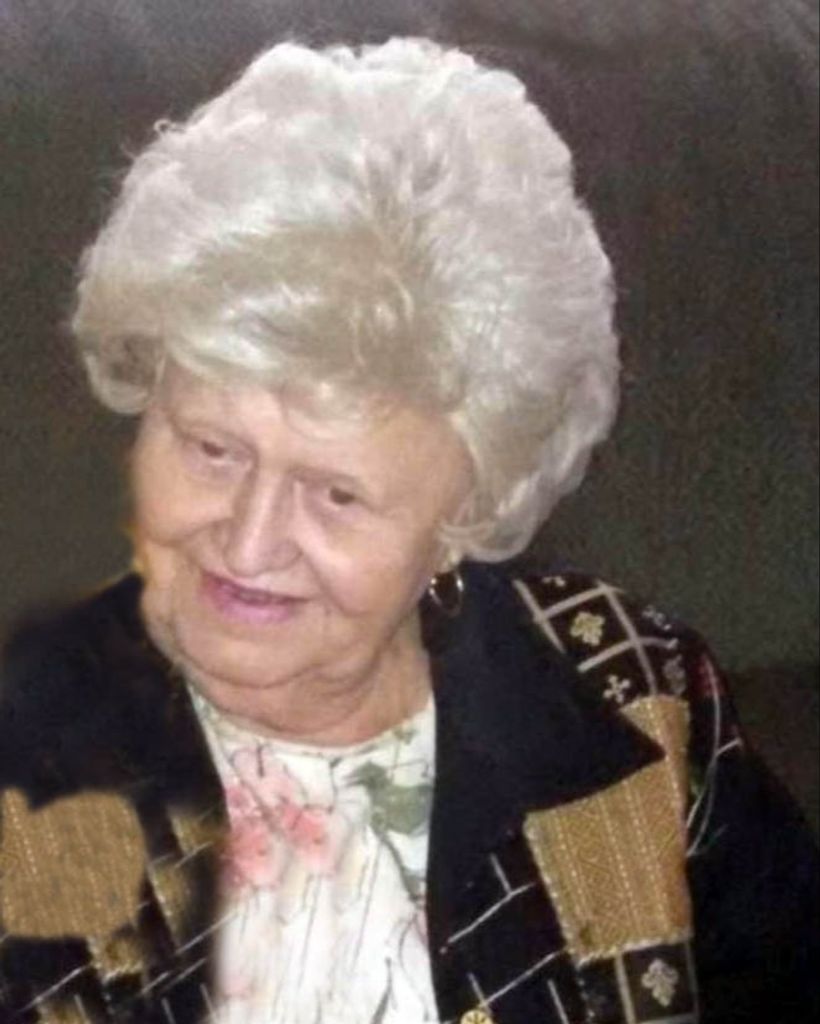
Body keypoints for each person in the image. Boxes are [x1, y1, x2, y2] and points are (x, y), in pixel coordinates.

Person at [0, 38, 816, 1024]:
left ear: (462, 516)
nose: (248, 544)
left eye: (337, 495)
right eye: (211, 449)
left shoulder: (633, 700)